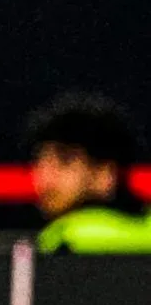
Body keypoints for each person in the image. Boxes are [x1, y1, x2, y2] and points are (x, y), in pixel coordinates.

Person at [27, 92, 151, 254]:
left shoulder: (65, 240)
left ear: (104, 173)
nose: (46, 176)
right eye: (40, 162)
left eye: (65, 161)